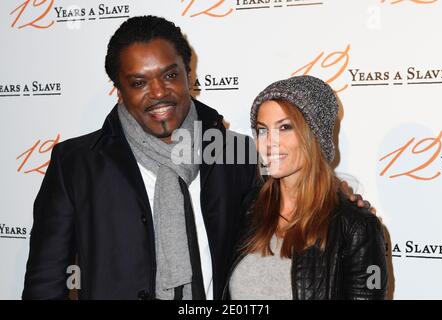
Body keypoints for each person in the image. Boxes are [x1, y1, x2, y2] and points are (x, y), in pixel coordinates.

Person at [22, 16, 373, 300]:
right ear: (119, 89)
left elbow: (294, 183)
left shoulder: (232, 151)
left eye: (170, 75)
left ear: (189, 74)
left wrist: (339, 196)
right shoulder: (77, 163)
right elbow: (45, 282)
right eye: (139, 82)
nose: (159, 93)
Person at [224, 75, 387, 300]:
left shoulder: (355, 227)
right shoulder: (250, 209)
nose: (269, 142)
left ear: (315, 136)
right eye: (262, 130)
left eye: (285, 127)